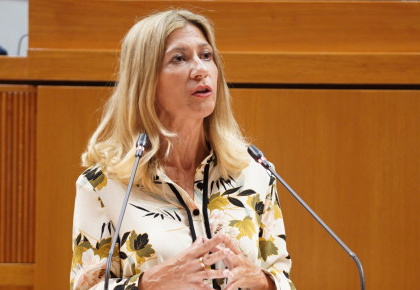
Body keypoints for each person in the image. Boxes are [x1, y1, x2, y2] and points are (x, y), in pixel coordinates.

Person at [70, 9, 294, 290]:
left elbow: (283, 278)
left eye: (206, 55)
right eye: (179, 58)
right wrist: (148, 283)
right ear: (146, 80)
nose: (200, 69)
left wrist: (263, 282)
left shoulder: (254, 174)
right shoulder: (103, 186)